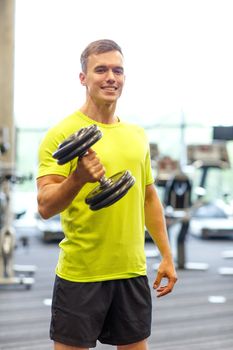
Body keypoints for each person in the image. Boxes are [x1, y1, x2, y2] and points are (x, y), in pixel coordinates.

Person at [37, 39, 177, 350]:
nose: (111, 77)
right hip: (82, 272)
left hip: (131, 270)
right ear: (83, 78)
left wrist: (167, 255)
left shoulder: (137, 135)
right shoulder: (61, 134)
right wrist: (78, 178)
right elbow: (45, 206)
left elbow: (148, 197)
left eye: (118, 70)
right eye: (100, 70)